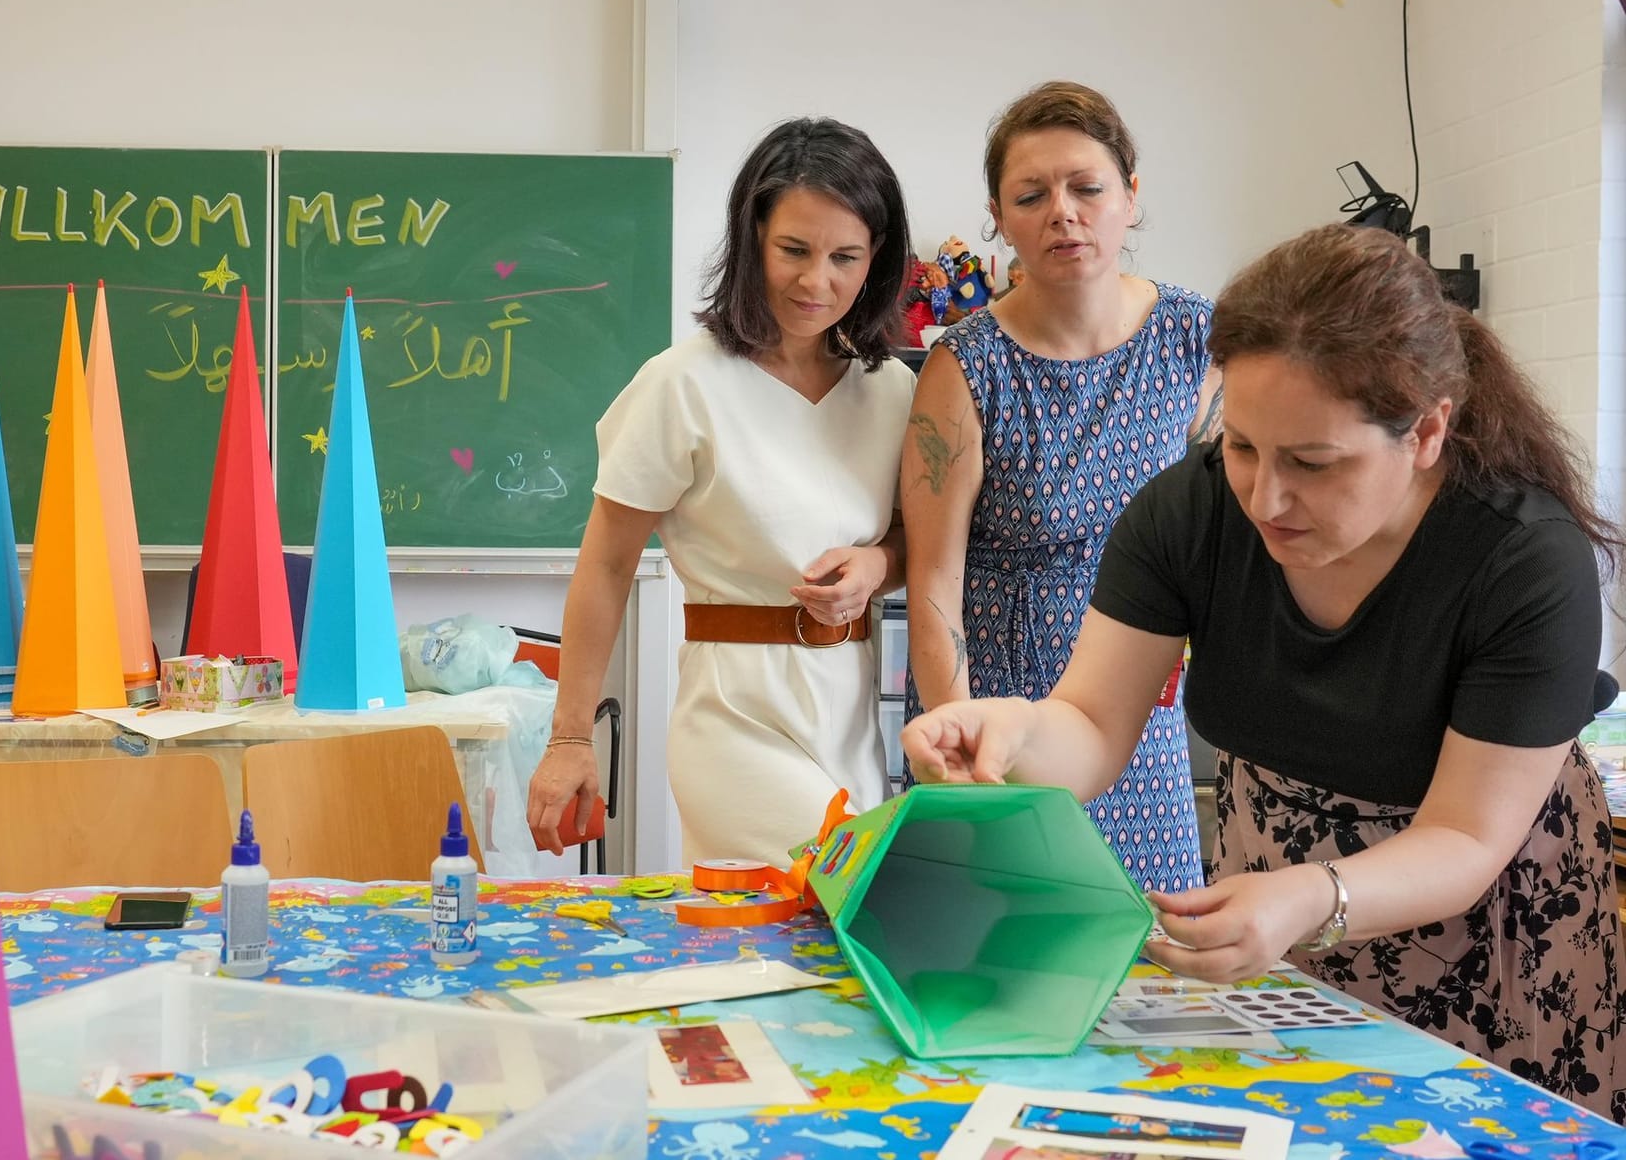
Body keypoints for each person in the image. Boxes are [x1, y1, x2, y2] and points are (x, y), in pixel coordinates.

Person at [903, 224, 1624, 1121]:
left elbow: (1468, 841)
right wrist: (1008, 733)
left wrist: (1310, 896)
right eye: (1242, 446)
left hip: (1483, 919)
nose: (1265, 499)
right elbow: (1089, 725)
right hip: (1273, 898)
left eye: (1313, 464)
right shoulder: (1190, 510)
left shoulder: (1523, 560)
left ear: (1428, 429)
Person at [526, 117, 917, 866]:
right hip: (734, 716)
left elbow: (908, 542)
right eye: (794, 250)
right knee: (850, 889)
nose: (817, 281)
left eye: (846, 257)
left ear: (877, 261)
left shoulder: (890, 389)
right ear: (752, 243)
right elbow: (605, 566)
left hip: (851, 717)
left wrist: (876, 567)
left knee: (817, 959)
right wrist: (570, 740)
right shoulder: (684, 384)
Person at [899, 81, 1220, 893]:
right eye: (1031, 195)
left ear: (1131, 197)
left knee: (1156, 964)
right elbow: (933, 575)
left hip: (1140, 710)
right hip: (998, 720)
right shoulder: (965, 366)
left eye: (1088, 187)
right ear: (999, 218)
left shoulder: (1197, 338)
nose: (1063, 213)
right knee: (992, 952)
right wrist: (956, 747)